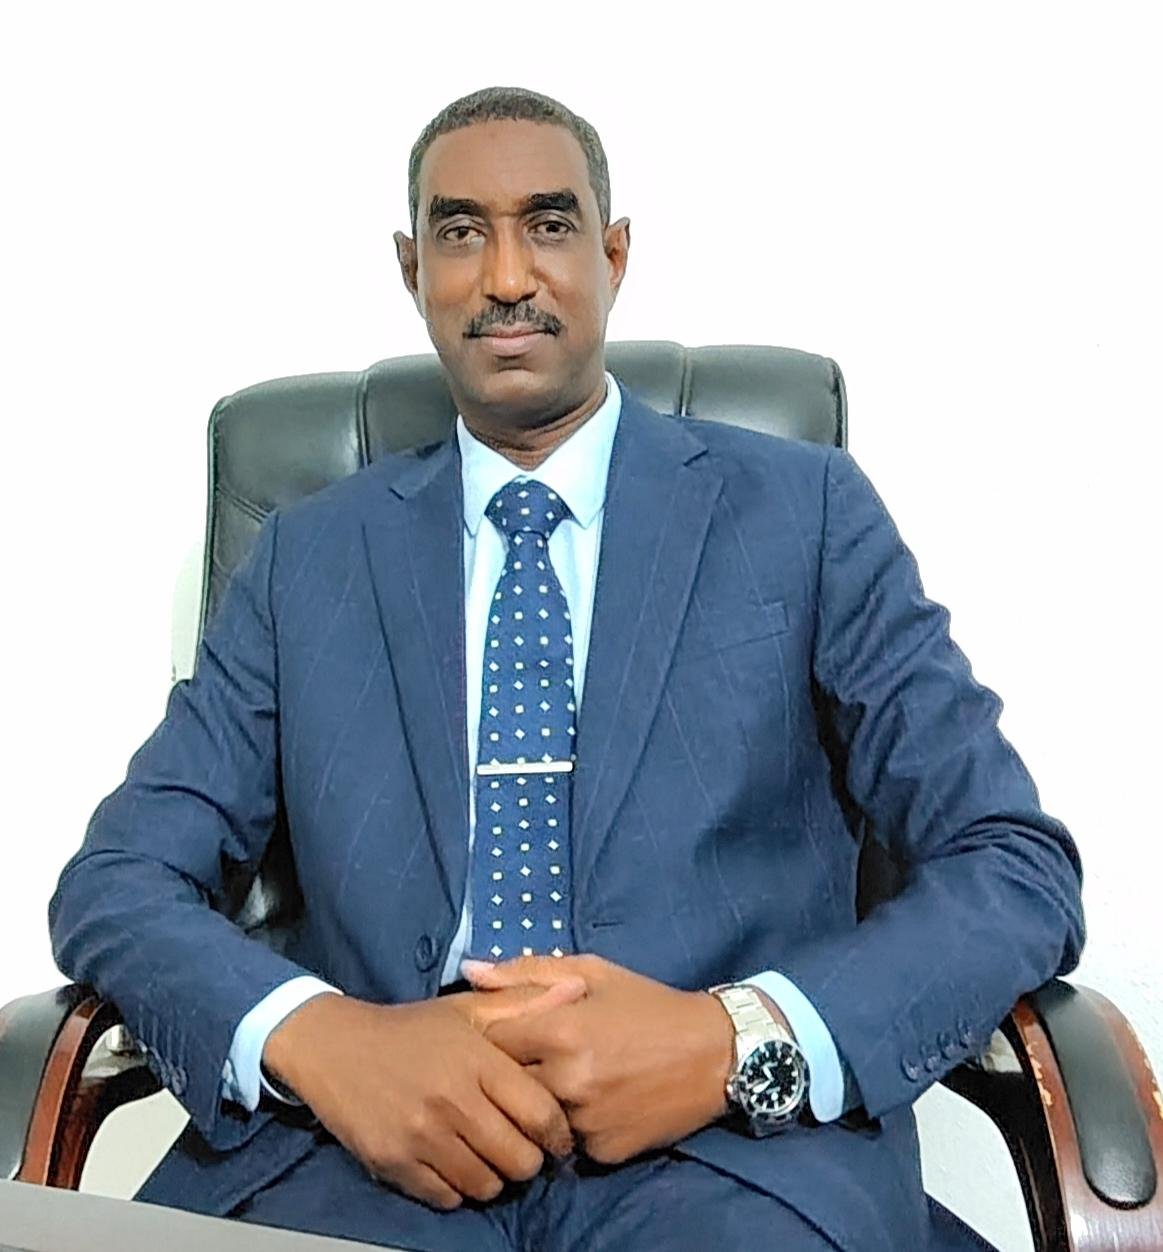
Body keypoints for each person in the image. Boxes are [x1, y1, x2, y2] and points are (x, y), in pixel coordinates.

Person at [48, 85, 1084, 1252]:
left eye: (547, 224)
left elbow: (1010, 862)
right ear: (411, 269)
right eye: (458, 232)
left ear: (613, 253)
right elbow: (119, 878)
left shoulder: (800, 515)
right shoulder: (310, 559)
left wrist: (733, 1040)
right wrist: (321, 1038)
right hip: (366, 1150)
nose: (504, 275)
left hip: (727, 1156)